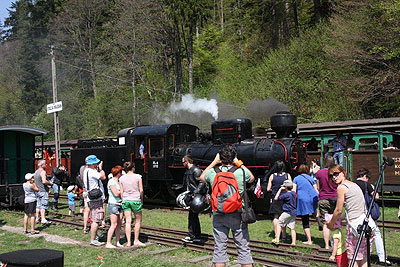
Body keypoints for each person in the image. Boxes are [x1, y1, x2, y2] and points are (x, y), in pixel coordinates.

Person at [200, 144, 255, 267]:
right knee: (243, 249)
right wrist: (238, 162)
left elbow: (202, 177)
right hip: (238, 213)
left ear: (220, 157)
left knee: (219, 248)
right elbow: (251, 178)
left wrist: (214, 162)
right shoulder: (241, 171)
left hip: (219, 214)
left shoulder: (213, 172)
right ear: (234, 157)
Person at [327, 165, 376, 267]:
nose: (334, 177)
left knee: (353, 259)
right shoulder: (354, 185)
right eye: (331, 176)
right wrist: (342, 217)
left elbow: (338, 210)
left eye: (336, 174)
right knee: (363, 258)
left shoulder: (341, 187)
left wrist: (331, 223)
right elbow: (355, 207)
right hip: (367, 225)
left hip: (355, 228)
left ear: (343, 173)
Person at [354, 168, 390, 265]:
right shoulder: (367, 185)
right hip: (367, 213)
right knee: (376, 233)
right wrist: (373, 188)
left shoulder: (352, 184)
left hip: (355, 213)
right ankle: (382, 257)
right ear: (365, 176)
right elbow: (376, 196)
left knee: (356, 236)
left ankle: (357, 256)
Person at [120, 161, 146, 248]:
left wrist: (123, 199)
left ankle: (128, 242)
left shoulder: (121, 178)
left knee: (128, 221)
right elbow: (141, 190)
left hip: (126, 200)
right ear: (133, 168)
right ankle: (136, 240)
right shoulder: (138, 177)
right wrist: (141, 199)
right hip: (135, 200)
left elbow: (121, 191)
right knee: (137, 221)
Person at [293, 164, 319, 245]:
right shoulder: (310, 178)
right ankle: (319, 222)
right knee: (315, 210)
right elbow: (316, 189)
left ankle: (309, 240)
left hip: (303, 198)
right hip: (313, 196)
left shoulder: (296, 179)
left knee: (305, 219)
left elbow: (294, 191)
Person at [83, 155, 106, 246]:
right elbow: (103, 177)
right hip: (96, 198)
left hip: (91, 197)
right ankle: (93, 240)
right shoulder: (92, 172)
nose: (97, 164)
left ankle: (95, 236)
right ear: (92, 164)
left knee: (93, 217)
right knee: (96, 220)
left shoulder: (86, 171)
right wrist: (100, 168)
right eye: (96, 163)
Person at [267, 160, 292, 241]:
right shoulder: (287, 176)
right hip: (285, 197)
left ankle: (276, 234)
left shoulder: (272, 176)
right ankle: (284, 235)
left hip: (276, 197)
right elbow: (291, 186)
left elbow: (268, 188)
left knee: (276, 216)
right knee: (283, 216)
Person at [316, 155, 337, 249]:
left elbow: (318, 187)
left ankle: (327, 245)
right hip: (335, 198)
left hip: (323, 198)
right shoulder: (336, 172)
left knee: (325, 223)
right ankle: (336, 244)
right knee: (335, 221)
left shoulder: (319, 173)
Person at [181, 155, 203, 243]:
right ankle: (192, 235)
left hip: (195, 197)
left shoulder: (196, 170)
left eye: (183, 162)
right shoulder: (189, 171)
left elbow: (202, 183)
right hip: (191, 196)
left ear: (187, 162)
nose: (182, 164)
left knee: (193, 216)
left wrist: (195, 193)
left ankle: (195, 236)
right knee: (192, 217)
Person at [272, 180, 297, 246]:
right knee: (292, 227)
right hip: (294, 212)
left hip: (287, 212)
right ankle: (293, 242)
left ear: (285, 187)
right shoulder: (294, 193)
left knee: (279, 223)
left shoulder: (286, 195)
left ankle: (277, 239)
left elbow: (276, 198)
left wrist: (280, 189)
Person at [106, 166, 124, 249]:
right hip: (113, 204)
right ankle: (108, 242)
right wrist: (122, 191)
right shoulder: (111, 182)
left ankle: (117, 241)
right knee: (114, 224)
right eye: (121, 172)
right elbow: (116, 194)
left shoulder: (119, 181)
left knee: (119, 223)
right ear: (118, 173)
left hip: (120, 204)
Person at [34, 160, 53, 225]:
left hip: (37, 191)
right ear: (42, 165)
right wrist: (50, 184)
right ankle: (43, 219)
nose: (46, 165)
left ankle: (37, 218)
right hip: (43, 191)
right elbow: (44, 181)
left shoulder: (36, 172)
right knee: (43, 206)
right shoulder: (43, 172)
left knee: (38, 205)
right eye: (45, 164)